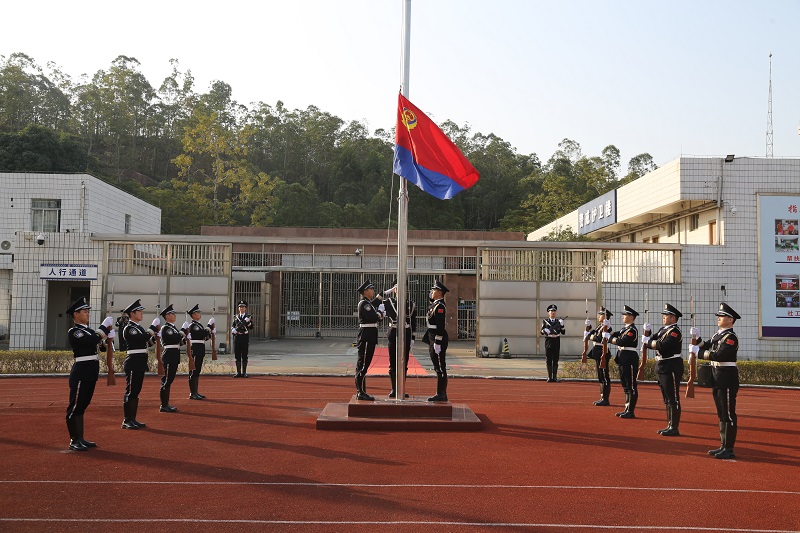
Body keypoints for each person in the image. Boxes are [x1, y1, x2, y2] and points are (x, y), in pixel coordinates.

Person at [690, 303, 741, 459]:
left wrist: (699, 353)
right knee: (721, 413)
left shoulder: (730, 337)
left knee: (728, 413)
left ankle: (729, 448)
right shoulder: (718, 335)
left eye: (722, 316)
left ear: (730, 319)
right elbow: (706, 345)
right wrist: (697, 339)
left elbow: (719, 355)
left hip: (726, 377)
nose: (719, 318)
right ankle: (723, 445)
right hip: (717, 376)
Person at [65, 297, 112, 450]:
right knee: (76, 406)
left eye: (87, 311)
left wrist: (109, 339)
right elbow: (92, 340)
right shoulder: (75, 331)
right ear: (75, 314)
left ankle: (81, 438)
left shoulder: (89, 331)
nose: (87, 313)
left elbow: (101, 346)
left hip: (91, 370)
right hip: (82, 371)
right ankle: (74, 440)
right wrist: (104, 328)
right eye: (84, 311)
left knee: (83, 405)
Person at [644, 303, 684, 436]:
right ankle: (669, 424)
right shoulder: (663, 330)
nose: (664, 317)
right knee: (667, 397)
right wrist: (647, 332)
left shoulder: (674, 332)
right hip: (662, 365)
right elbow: (652, 339)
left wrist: (648, 342)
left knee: (673, 397)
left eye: (666, 315)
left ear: (673, 318)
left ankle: (674, 427)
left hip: (671, 365)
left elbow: (663, 345)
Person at [121, 299, 158, 430]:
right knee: (131, 391)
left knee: (136, 391)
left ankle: (133, 418)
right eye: (139, 311)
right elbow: (142, 338)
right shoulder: (130, 328)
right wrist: (153, 328)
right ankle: (127, 420)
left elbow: (147, 343)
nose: (142, 313)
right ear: (132, 313)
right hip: (133, 361)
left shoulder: (138, 327)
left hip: (140, 361)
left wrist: (155, 336)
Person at [384, 285, 417, 398]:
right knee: (393, 362)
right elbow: (376, 302)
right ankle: (394, 389)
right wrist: (386, 292)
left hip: (406, 333)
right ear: (394, 290)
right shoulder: (389, 302)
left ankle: (401, 388)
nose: (401, 290)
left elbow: (413, 322)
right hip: (393, 332)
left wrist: (412, 338)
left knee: (404, 362)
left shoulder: (410, 304)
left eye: (402, 287)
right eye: (397, 288)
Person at [354, 280, 384, 401]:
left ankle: (362, 391)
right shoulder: (364, 304)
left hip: (369, 336)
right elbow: (374, 317)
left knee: (365, 364)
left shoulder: (368, 303)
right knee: (363, 365)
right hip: (366, 336)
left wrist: (383, 294)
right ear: (365, 291)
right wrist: (380, 313)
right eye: (371, 289)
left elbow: (375, 304)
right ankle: (360, 392)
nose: (373, 291)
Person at [608, 305, 640, 418]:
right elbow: (615, 334)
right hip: (623, 357)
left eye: (625, 315)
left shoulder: (632, 330)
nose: (623, 317)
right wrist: (607, 328)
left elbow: (622, 341)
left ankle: (630, 411)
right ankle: (627, 408)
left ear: (631, 317)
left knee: (631, 385)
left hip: (629, 357)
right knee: (625, 385)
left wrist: (609, 338)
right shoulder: (625, 329)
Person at [582, 308, 613, 406]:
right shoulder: (600, 326)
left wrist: (589, 336)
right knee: (600, 376)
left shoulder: (607, 327)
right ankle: (602, 396)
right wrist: (588, 327)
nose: (598, 316)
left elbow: (599, 338)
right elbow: (593, 333)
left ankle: (605, 399)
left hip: (602, 351)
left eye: (600, 315)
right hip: (597, 351)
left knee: (604, 375)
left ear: (605, 316)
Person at [426, 280, 450, 402]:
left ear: (440, 292)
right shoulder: (435, 304)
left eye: (434, 290)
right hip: (432, 337)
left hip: (437, 338)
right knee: (437, 366)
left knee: (440, 367)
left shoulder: (440, 306)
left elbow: (440, 326)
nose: (432, 291)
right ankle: (440, 392)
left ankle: (441, 393)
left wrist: (438, 342)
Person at [185, 304, 214, 400]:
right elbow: (202, 333)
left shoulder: (199, 325)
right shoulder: (193, 326)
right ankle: (192, 393)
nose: (199, 314)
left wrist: (210, 332)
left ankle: (195, 392)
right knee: (194, 371)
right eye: (197, 312)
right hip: (196, 349)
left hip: (200, 349)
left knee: (197, 371)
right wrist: (209, 326)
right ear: (193, 315)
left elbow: (205, 337)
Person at [158, 304, 183, 413]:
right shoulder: (166, 328)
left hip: (174, 354)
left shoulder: (172, 328)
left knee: (170, 380)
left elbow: (178, 341)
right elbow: (174, 338)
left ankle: (166, 403)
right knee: (166, 380)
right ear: (167, 316)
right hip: (169, 355)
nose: (174, 315)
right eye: (172, 314)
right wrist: (182, 332)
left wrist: (185, 339)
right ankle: (164, 405)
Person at [540, 304, 565, 382]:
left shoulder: (558, 321)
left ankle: (555, 377)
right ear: (548, 312)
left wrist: (562, 325)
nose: (553, 313)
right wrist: (544, 331)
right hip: (549, 341)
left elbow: (563, 332)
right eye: (551, 311)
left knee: (555, 359)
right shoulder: (545, 321)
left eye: (554, 311)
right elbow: (541, 331)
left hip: (556, 340)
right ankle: (549, 377)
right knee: (549, 359)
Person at [231, 300, 253, 378]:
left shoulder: (248, 317)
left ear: (245, 308)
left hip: (244, 337)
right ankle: (238, 372)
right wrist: (233, 330)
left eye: (243, 307)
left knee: (244, 354)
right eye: (240, 307)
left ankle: (244, 372)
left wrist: (248, 322)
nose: (241, 308)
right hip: (237, 337)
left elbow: (251, 327)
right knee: (237, 355)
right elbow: (233, 326)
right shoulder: (236, 317)